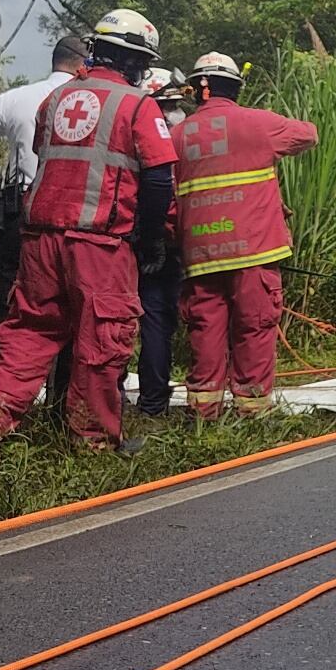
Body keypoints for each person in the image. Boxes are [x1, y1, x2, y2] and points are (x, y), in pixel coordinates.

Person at [0, 9, 180, 465]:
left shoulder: (55, 101)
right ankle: (92, 443)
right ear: (136, 61)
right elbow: (159, 179)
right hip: (99, 242)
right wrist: (151, 238)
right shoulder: (138, 105)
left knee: (28, 332)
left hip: (39, 239)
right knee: (102, 341)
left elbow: (45, 157)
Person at [172, 53, 317, 420]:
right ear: (235, 88)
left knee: (205, 330)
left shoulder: (176, 134)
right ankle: (252, 412)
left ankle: (203, 413)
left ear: (198, 89)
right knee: (254, 327)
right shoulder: (255, 123)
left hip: (200, 253)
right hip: (253, 251)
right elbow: (308, 134)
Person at [0, 35, 88, 389]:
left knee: (6, 306)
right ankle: (62, 409)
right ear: (83, 65)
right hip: (76, 215)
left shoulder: (19, 97)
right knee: (74, 307)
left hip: (21, 210)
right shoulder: (95, 102)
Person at [127, 66, 188, 416]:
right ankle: (152, 400)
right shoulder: (184, 131)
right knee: (156, 320)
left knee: (124, 319)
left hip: (137, 235)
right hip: (167, 237)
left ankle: (124, 396)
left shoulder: (139, 127)